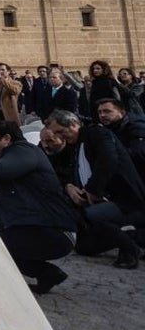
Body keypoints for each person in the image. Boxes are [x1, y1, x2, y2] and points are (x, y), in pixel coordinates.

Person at [0, 120, 76, 294]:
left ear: (6, 139)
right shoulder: (14, 155)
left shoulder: (25, 151)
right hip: (37, 225)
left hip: (54, 230)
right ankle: (47, 274)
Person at [45, 110, 143, 269]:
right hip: (96, 199)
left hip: (123, 200)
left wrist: (92, 190)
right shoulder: (75, 145)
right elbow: (66, 173)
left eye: (61, 132)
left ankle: (130, 245)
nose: (60, 137)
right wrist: (70, 187)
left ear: (74, 125)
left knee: (84, 217)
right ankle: (125, 236)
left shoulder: (96, 133)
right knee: (83, 246)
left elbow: (108, 160)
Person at [96, 97, 145, 180]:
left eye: (107, 111)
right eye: (99, 112)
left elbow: (138, 153)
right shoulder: (112, 126)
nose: (102, 115)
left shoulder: (137, 127)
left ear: (122, 112)